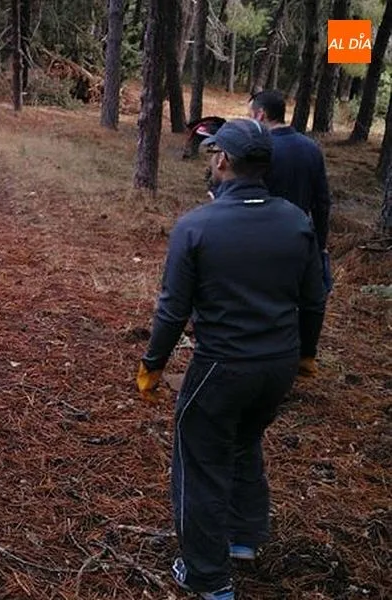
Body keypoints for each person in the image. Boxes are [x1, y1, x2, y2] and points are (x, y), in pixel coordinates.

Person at [136, 119, 326, 600]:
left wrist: (153, 364)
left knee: (198, 460)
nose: (211, 162)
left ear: (223, 161)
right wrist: (306, 355)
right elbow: (313, 299)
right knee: (244, 442)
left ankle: (206, 576)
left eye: (212, 155)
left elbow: (173, 307)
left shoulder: (197, 226)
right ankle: (243, 539)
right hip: (278, 367)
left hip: (221, 367)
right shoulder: (296, 222)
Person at [248, 89, 332, 317]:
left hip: (261, 238)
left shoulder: (259, 150)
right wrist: (320, 244)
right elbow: (322, 202)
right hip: (299, 237)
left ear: (260, 115)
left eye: (251, 115)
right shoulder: (312, 149)